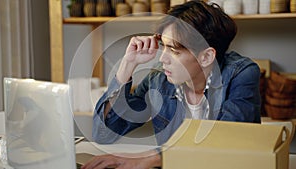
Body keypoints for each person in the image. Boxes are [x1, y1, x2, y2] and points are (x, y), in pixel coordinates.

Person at [82, 0, 261, 168]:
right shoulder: (159, 79)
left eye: (174, 50)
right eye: (163, 46)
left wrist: (145, 159)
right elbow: (104, 133)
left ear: (206, 57)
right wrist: (128, 64)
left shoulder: (241, 74)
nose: (162, 58)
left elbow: (225, 141)